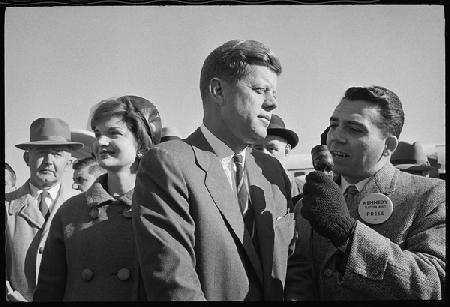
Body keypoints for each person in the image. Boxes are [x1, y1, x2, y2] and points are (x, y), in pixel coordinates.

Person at [132, 39, 298, 300]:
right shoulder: (169, 164)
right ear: (218, 91)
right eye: (259, 90)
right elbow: (174, 283)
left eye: (274, 93)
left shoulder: (272, 171)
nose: (271, 103)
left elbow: (296, 265)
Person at [285, 86, 445, 300]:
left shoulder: (431, 195)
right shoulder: (306, 204)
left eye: (355, 129)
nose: (336, 137)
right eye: (334, 125)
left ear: (388, 146)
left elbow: (431, 285)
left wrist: (348, 233)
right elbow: (297, 277)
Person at [33, 96, 162, 301]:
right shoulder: (70, 212)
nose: (101, 142)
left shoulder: (162, 207)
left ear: (141, 145)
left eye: (114, 133)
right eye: (98, 134)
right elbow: (49, 292)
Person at [5, 118, 83, 301]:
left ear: (69, 162)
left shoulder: (82, 208)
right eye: (41, 152)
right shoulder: (6, 206)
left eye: (57, 154)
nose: (48, 161)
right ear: (26, 158)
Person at [253, 114, 304, 199]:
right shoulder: (245, 196)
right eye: (258, 148)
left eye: (271, 148)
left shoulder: (306, 194)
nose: (263, 153)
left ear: (286, 150)